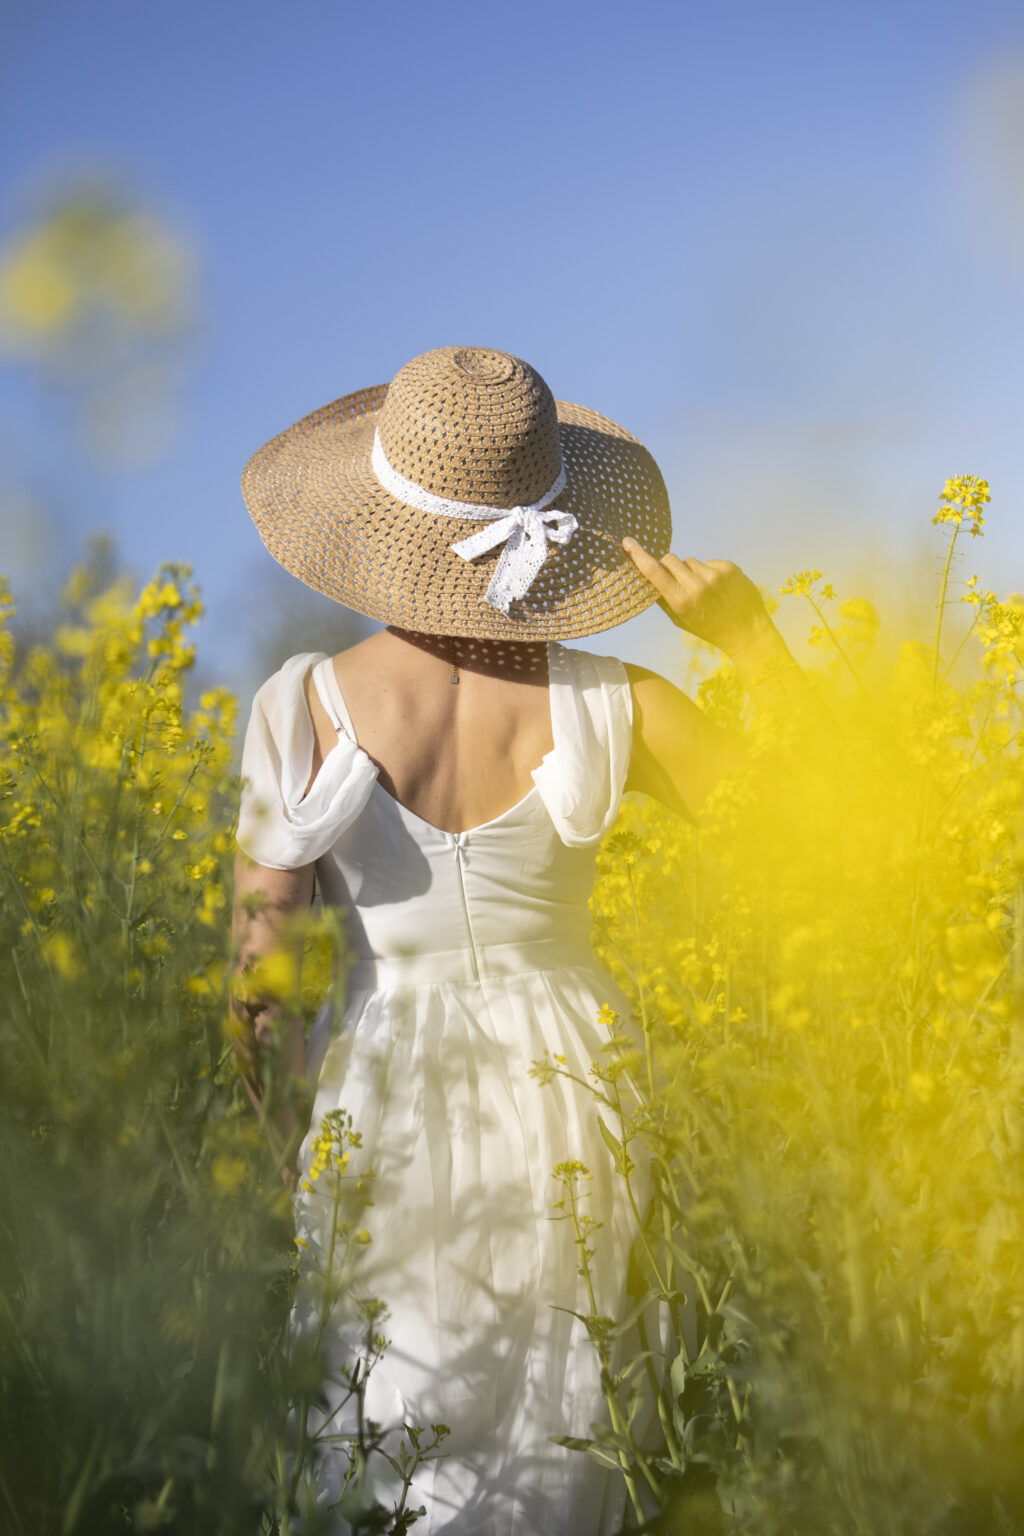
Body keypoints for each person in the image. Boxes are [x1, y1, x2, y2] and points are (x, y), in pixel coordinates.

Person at [231, 346, 822, 1533]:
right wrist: (752, 642)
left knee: (390, 1418)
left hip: (387, 1079)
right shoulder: (620, 703)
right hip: (579, 1081)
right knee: (572, 1423)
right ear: (549, 518)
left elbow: (257, 986)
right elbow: (824, 821)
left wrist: (282, 1151)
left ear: (381, 514)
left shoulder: (299, 702)